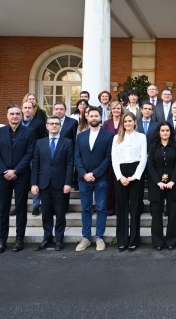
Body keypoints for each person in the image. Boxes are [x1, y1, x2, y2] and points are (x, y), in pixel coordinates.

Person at [0, 104, 36, 254]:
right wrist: (6, 171)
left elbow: (30, 153)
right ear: (7, 116)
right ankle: (2, 240)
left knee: (21, 208)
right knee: (3, 209)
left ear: (21, 115)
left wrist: (16, 170)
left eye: (18, 114)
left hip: (21, 176)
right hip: (3, 176)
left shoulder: (29, 132)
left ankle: (19, 239)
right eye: (12, 114)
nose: (15, 116)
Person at [31, 115, 73, 252]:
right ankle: (47, 238)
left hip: (61, 184)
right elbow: (36, 164)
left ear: (60, 127)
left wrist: (68, 183)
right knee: (46, 214)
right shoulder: (40, 143)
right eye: (52, 123)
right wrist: (34, 183)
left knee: (60, 214)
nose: (54, 125)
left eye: (57, 123)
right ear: (47, 126)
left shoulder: (67, 142)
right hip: (44, 184)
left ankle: (59, 239)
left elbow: (69, 165)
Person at [74, 106, 113, 252]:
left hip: (101, 178)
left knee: (101, 208)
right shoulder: (81, 136)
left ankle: (99, 237)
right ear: (87, 118)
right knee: (86, 208)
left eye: (96, 116)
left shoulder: (108, 136)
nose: (94, 118)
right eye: (91, 116)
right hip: (83, 178)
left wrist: (95, 173)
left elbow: (108, 157)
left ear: (100, 118)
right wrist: (84, 173)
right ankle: (86, 237)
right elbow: (76, 156)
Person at [112, 112, 147, 252]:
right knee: (121, 207)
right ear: (122, 123)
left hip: (135, 171)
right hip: (121, 172)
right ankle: (122, 240)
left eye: (130, 121)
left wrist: (136, 176)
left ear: (134, 122)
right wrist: (120, 176)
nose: (127, 123)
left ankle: (133, 240)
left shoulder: (141, 137)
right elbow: (114, 159)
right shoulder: (116, 138)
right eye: (125, 121)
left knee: (134, 207)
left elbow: (143, 158)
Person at [147, 122, 176, 251]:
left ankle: (171, 240)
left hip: (173, 184)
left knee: (173, 213)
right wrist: (158, 182)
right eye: (162, 130)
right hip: (157, 185)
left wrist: (172, 181)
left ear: (170, 132)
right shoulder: (153, 147)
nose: (165, 133)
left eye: (167, 130)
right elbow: (150, 166)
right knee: (156, 213)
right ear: (159, 132)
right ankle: (157, 241)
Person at [20, 101, 47, 216]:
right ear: (22, 109)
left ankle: (35, 206)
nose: (27, 110)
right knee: (20, 183)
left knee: (35, 181)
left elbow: (43, 139)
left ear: (33, 109)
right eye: (25, 108)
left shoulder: (38, 123)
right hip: (20, 157)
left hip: (34, 157)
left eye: (29, 108)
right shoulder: (17, 122)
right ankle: (19, 206)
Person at [103, 101, 124, 216]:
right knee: (110, 184)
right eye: (114, 108)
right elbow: (104, 139)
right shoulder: (106, 123)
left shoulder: (124, 122)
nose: (116, 110)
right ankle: (110, 208)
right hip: (110, 156)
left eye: (118, 108)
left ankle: (120, 208)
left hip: (123, 157)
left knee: (121, 184)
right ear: (111, 110)